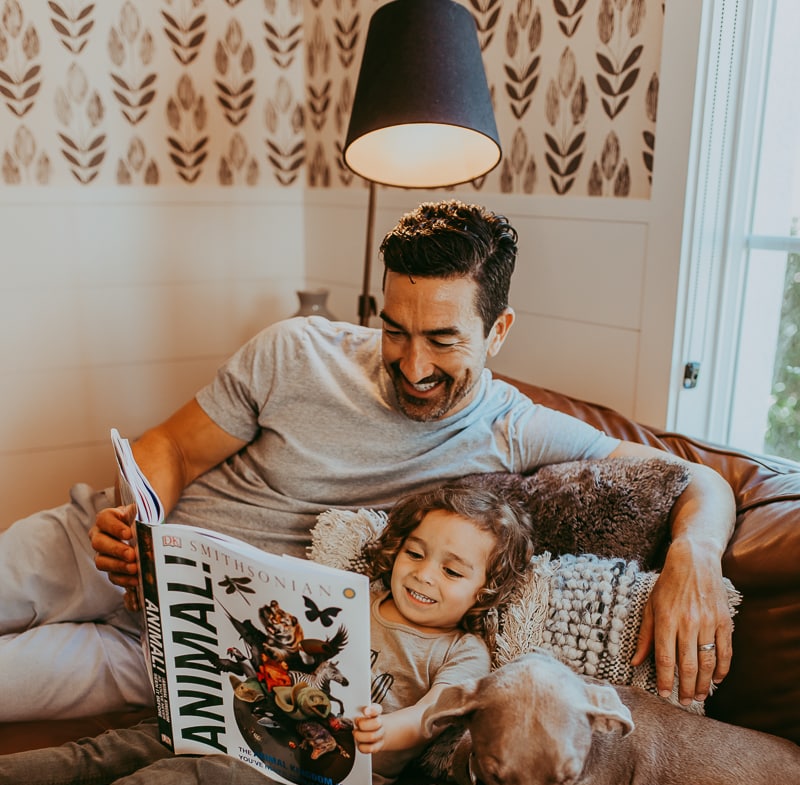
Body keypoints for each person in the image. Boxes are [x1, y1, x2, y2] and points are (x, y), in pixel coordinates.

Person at [0, 200, 735, 720]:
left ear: (499, 329)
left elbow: (697, 477)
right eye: (395, 330)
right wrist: (136, 518)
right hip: (103, 549)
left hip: (198, 643)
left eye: (444, 340)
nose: (412, 365)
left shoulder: (515, 427)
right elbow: (171, 445)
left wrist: (694, 557)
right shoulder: (296, 350)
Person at [0, 483, 532, 785]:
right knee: (111, 749)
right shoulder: (352, 594)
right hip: (246, 717)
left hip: (315, 775)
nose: (424, 574)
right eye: (416, 553)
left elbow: (435, 711)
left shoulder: (462, 650)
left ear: (484, 592)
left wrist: (388, 729)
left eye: (453, 571)